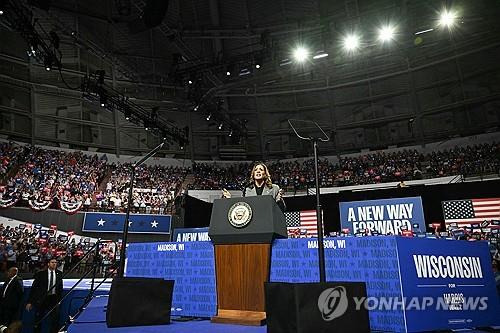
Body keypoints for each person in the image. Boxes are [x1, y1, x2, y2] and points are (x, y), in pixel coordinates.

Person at [25, 258, 63, 333]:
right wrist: (30, 302)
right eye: (52, 262)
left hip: (54, 299)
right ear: (48, 264)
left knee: (55, 320)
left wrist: (59, 300)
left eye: (55, 262)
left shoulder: (59, 273)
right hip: (42, 299)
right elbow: (34, 288)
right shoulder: (41, 274)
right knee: (38, 318)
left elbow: (60, 288)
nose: (54, 264)